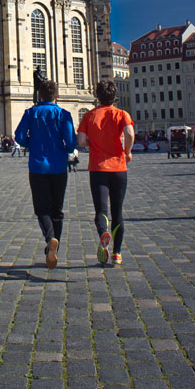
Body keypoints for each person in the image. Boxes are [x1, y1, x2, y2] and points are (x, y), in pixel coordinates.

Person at [15, 80, 76, 269]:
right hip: (58, 167)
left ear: (39, 95)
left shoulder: (31, 113)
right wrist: (62, 147)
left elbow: (18, 136)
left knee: (42, 209)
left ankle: (50, 239)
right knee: (57, 210)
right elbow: (71, 143)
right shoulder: (64, 114)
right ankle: (54, 248)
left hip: (38, 167)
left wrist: (29, 145)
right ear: (57, 96)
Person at [77, 80, 134, 266]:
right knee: (118, 211)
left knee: (101, 210)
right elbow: (130, 133)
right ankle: (117, 253)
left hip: (98, 169)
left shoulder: (90, 115)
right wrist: (127, 151)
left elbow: (81, 140)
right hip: (119, 169)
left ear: (97, 96)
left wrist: (91, 143)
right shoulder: (121, 114)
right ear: (114, 95)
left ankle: (103, 233)